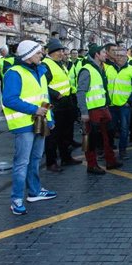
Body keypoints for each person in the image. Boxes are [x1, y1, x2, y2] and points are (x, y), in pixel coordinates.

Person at [2, 40, 57, 215]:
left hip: (39, 122)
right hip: (24, 124)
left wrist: (49, 118)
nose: (42, 55)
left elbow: (44, 96)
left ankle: (34, 191)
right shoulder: (14, 73)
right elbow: (9, 99)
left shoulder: (40, 71)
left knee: (35, 159)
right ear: (28, 55)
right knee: (22, 163)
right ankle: (16, 199)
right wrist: (35, 110)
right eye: (38, 53)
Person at [77, 44, 122, 174]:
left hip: (102, 108)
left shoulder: (100, 68)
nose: (106, 55)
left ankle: (110, 161)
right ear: (96, 54)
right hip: (92, 110)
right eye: (103, 52)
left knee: (108, 135)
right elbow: (81, 92)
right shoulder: (87, 70)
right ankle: (91, 165)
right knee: (91, 139)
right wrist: (84, 113)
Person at [42, 39, 81, 172]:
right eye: (58, 51)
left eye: (62, 51)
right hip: (55, 105)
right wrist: (55, 94)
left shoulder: (59, 64)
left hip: (66, 103)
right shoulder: (46, 65)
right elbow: (43, 86)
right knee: (53, 136)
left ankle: (66, 157)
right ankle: (51, 162)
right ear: (51, 52)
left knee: (66, 133)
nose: (61, 53)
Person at [105, 47, 132, 160]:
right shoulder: (109, 69)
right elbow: (105, 86)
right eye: (118, 56)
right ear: (114, 57)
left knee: (124, 129)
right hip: (111, 105)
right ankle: (109, 150)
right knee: (110, 129)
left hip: (124, 105)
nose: (120, 58)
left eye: (122, 56)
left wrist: (129, 102)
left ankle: (122, 151)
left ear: (126, 57)